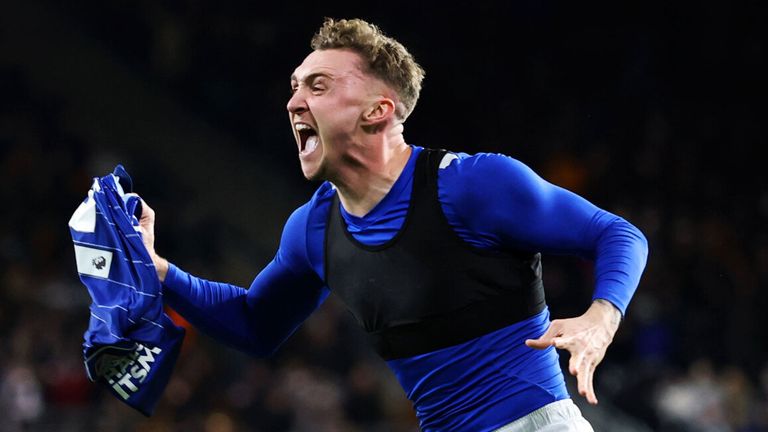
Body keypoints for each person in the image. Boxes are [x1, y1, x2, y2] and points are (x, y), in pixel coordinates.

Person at [138, 18, 648, 432]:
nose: (294, 102)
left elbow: (619, 234)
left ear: (379, 112)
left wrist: (601, 318)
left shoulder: (472, 184)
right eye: (294, 88)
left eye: (318, 85)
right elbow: (255, 324)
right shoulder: (312, 231)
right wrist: (159, 271)